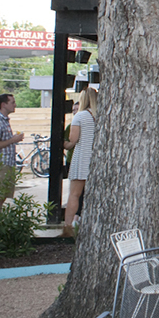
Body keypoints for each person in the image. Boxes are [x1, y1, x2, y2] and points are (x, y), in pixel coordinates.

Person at [63, 87, 97, 234]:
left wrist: (64, 144)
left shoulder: (80, 116)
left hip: (82, 157)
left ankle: (68, 226)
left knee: (74, 194)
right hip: (95, 159)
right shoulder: (99, 115)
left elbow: (73, 139)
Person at [0, 93, 24, 213]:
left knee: (2, 196)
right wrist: (13, 140)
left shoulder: (4, 121)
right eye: (12, 102)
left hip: (7, 164)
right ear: (3, 105)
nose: (15, 105)